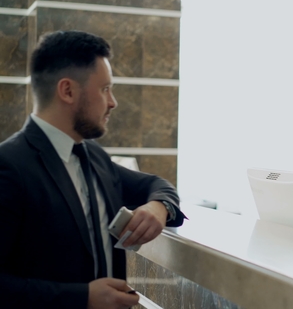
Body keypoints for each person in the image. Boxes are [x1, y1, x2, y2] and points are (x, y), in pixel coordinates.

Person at [0, 30, 185, 308]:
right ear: (68, 90)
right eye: (105, 89)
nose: (113, 102)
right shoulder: (9, 165)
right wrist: (83, 298)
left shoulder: (94, 157)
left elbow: (157, 185)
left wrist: (158, 207)